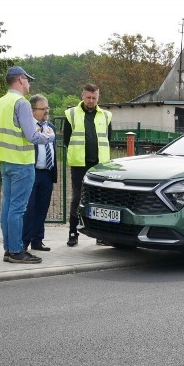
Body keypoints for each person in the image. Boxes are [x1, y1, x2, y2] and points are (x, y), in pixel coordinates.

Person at [0, 66, 54, 264]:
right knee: (17, 209)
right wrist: (48, 137)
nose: (29, 83)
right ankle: (17, 250)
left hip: (4, 160)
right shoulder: (22, 103)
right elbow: (32, 135)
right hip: (21, 162)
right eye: (28, 80)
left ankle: (9, 249)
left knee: (8, 207)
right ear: (21, 79)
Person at [63, 84, 112, 247]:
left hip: (100, 165)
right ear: (82, 96)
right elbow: (66, 140)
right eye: (88, 97)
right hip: (79, 164)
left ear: (98, 98)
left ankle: (101, 234)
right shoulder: (71, 114)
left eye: (94, 98)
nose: (91, 101)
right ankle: (72, 232)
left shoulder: (106, 115)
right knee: (77, 198)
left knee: (101, 199)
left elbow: (108, 139)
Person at [22, 94, 57, 252]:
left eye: (47, 108)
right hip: (32, 172)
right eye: (43, 109)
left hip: (47, 173)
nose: (46, 111)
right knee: (29, 209)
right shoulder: (28, 127)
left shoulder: (51, 128)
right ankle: (24, 242)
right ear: (33, 111)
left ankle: (38, 240)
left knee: (42, 208)